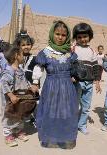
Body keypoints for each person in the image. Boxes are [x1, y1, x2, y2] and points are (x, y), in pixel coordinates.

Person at [35, 20, 78, 149]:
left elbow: (74, 70)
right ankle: (51, 137)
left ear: (67, 37)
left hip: (67, 89)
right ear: (52, 34)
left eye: (63, 35)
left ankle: (65, 137)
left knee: (65, 112)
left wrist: (74, 76)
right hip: (51, 88)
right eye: (57, 34)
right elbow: (38, 69)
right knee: (51, 111)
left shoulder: (70, 54)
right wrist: (35, 83)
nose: (60, 37)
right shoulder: (45, 53)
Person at [0, 46, 39, 147]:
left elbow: (24, 81)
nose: (23, 57)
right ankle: (8, 136)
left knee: (20, 115)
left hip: (20, 99)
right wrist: (11, 95)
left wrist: (31, 87)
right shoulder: (9, 71)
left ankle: (18, 131)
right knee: (9, 117)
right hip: (11, 101)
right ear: (16, 56)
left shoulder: (20, 69)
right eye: (22, 55)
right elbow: (4, 84)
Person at [72, 22, 102, 135]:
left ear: (90, 36)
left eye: (85, 36)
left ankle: (82, 125)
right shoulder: (73, 49)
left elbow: (96, 67)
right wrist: (71, 76)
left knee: (86, 107)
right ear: (76, 38)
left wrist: (97, 81)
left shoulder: (92, 51)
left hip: (89, 83)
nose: (82, 39)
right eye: (79, 37)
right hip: (77, 83)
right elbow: (69, 64)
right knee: (74, 106)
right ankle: (73, 124)